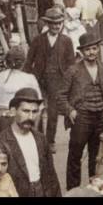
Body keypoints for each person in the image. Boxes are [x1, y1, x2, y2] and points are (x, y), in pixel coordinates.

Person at [60, 30, 103, 190]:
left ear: (98, 49)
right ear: (82, 52)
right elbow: (60, 95)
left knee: (96, 156)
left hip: (101, 116)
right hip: (81, 116)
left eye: (94, 48)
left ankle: (94, 188)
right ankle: (73, 190)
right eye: (87, 49)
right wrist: (70, 110)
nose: (91, 52)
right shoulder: (73, 70)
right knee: (75, 154)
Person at [0, 87, 62, 197]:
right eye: (25, 111)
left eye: (34, 112)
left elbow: (51, 175)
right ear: (13, 111)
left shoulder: (41, 139)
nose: (30, 117)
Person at [24, 8, 76, 151]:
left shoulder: (66, 41)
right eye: (53, 23)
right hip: (38, 79)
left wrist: (70, 81)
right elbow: (29, 61)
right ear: (47, 24)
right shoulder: (38, 40)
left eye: (59, 23)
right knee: (36, 109)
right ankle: (36, 139)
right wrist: (25, 78)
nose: (57, 26)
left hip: (57, 80)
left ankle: (50, 141)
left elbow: (71, 64)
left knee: (53, 112)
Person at [0, 46, 40, 140]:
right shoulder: (30, 78)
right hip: (21, 122)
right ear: (23, 63)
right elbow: (38, 105)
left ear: (6, 62)